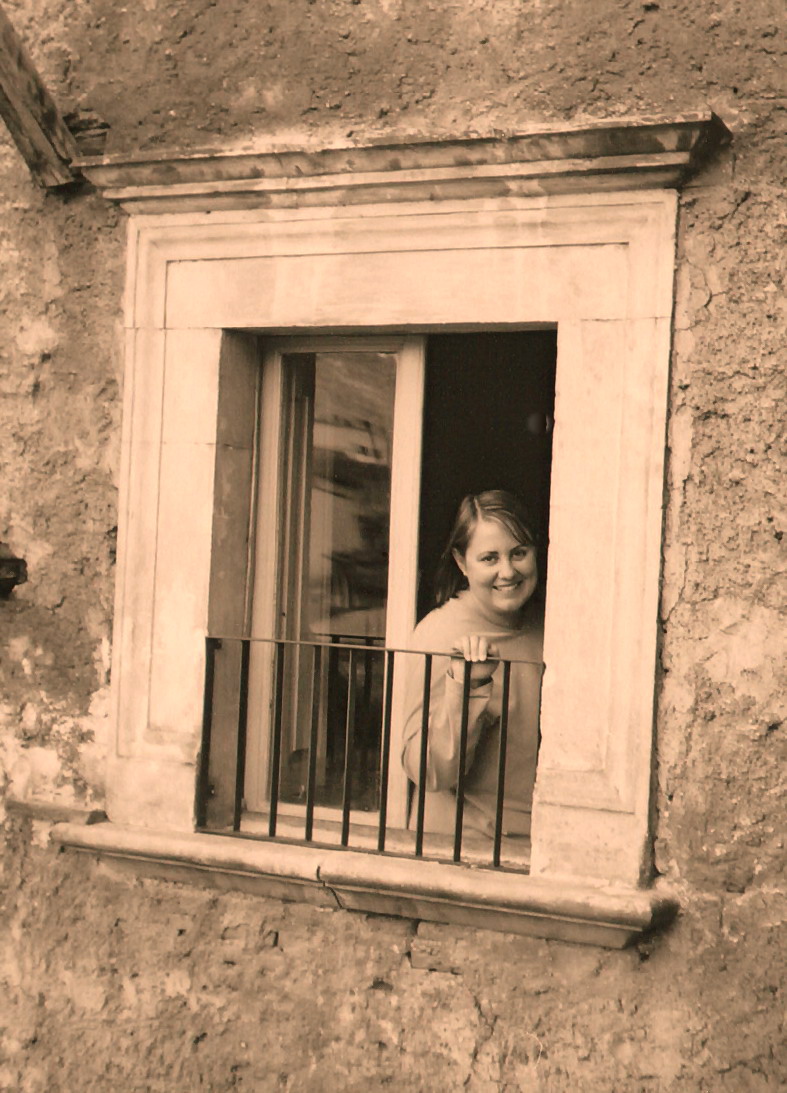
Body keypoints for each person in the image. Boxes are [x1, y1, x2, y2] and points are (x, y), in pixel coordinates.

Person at [401, 490, 544, 838]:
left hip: (538, 839)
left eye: (519, 553)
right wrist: (467, 688)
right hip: (462, 843)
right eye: (489, 558)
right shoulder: (440, 633)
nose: (507, 571)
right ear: (462, 563)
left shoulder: (547, 626)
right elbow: (427, 770)